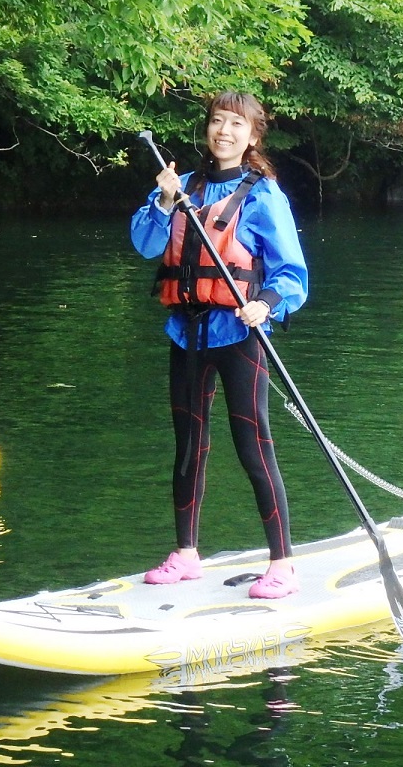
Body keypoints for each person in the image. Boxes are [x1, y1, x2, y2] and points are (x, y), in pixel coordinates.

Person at [130, 91, 308, 598]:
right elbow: (145, 244)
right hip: (186, 334)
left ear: (252, 136)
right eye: (216, 122)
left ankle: (282, 564)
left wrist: (267, 303)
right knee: (188, 447)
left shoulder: (263, 195)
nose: (223, 131)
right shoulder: (181, 187)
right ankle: (186, 555)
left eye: (235, 124)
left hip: (238, 335)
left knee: (254, 448)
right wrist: (163, 201)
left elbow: (292, 273)